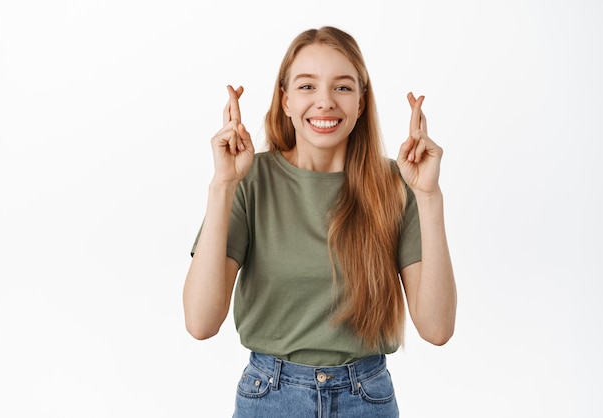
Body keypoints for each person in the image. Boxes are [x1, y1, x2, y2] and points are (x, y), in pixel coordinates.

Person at [183, 25, 457, 417]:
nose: (325, 101)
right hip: (271, 396)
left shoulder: (397, 184)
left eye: (343, 87)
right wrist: (221, 186)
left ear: (361, 103)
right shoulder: (249, 181)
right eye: (307, 86)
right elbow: (200, 322)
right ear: (286, 100)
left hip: (367, 398)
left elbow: (437, 329)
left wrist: (428, 196)